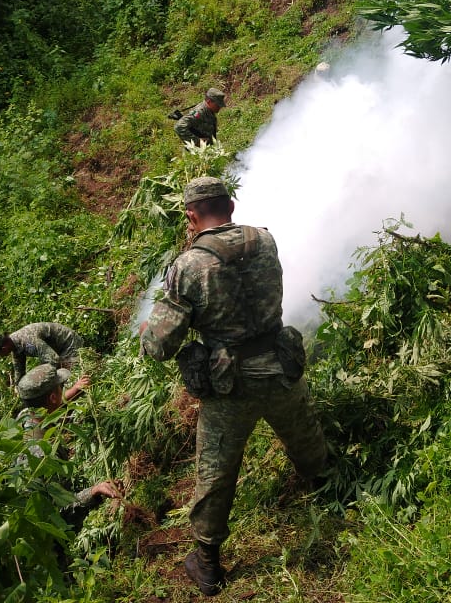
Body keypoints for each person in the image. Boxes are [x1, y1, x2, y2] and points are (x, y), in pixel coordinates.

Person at [139, 176, 328, 596]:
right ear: (231, 206)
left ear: (191, 216)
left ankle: (207, 564)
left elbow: (159, 346)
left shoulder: (188, 266)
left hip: (231, 386)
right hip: (280, 367)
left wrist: (148, 331)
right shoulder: (266, 241)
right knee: (307, 438)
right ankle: (331, 500)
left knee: (216, 472)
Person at [15, 364, 120, 536]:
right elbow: (59, 510)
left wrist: (75, 390)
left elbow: (54, 407)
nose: (63, 390)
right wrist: (93, 492)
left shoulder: (26, 416)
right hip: (46, 536)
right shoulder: (44, 455)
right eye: (61, 388)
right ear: (53, 397)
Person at [0, 322, 82, 384]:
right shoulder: (14, 346)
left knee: (70, 379)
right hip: (56, 350)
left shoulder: (28, 340)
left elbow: (53, 360)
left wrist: (39, 381)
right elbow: (19, 371)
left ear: (4, 348)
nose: (0, 357)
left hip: (69, 343)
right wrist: (19, 388)